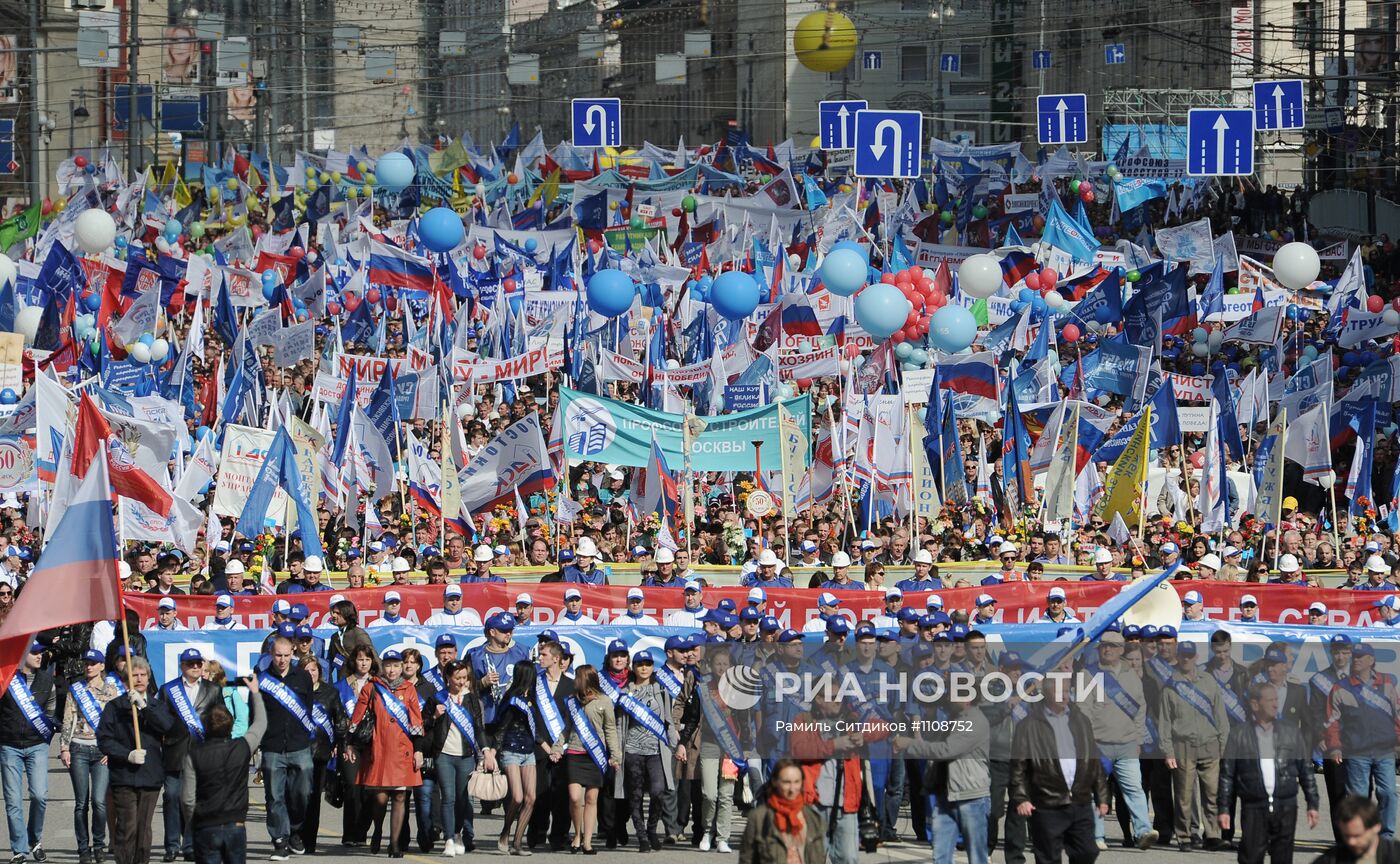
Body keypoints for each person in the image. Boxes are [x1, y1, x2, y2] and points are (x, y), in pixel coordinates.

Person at [1008, 667, 1109, 864]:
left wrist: (1102, 796)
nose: (1063, 695)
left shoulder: (1081, 721)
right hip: (1047, 802)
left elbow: (1093, 760)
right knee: (1048, 857)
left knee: (1087, 852)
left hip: (1079, 800)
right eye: (1058, 690)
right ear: (1046, 693)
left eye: (1066, 690)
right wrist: (1021, 798)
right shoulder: (1029, 726)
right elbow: (1018, 766)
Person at [1216, 682, 1320, 864]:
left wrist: (1312, 803)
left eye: (1276, 699)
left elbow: (1305, 770)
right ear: (1255, 704)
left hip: (1286, 806)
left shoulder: (1291, 732)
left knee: (1283, 858)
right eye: (1270, 700)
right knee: (1250, 857)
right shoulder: (1239, 735)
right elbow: (1227, 775)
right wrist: (1224, 809)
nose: (1275, 704)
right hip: (1254, 806)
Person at [98, 656, 179, 864]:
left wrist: (144, 707)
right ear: (127, 680)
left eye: (143, 675)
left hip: (150, 775)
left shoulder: (156, 705)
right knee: (127, 827)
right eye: (135, 675)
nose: (140, 678)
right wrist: (126, 754)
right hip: (124, 775)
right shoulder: (114, 707)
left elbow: (167, 726)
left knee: (144, 829)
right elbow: (104, 740)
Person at [178, 676, 267, 864]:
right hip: (235, 822)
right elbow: (260, 724)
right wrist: (255, 693)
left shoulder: (193, 755)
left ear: (205, 727)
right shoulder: (242, 747)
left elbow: (187, 799)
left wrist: (193, 823)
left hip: (205, 824)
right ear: (231, 725)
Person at [348, 649, 426, 859]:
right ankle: (378, 829)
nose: (392, 670)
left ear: (402, 667)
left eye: (396, 665)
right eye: (388, 665)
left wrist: (418, 750)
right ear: (382, 666)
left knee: (400, 796)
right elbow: (357, 716)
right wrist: (349, 743)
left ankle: (394, 844)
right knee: (380, 799)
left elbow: (416, 721)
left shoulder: (409, 689)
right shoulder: (372, 687)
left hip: (402, 750)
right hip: (379, 749)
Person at [1159, 641, 1229, 852]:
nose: (1187, 659)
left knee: (1212, 794)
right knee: (1184, 795)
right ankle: (1185, 835)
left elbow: (1221, 718)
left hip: (1209, 744)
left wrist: (1222, 747)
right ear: (1178, 657)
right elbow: (1165, 723)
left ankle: (1212, 834)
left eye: (1190, 656)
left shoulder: (1208, 681)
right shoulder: (1170, 685)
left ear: (1196, 657)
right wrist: (1168, 751)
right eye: (1183, 655)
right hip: (1183, 745)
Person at [1325, 642, 1400, 840]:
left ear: (1372, 660)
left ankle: (1385, 838)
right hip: (1356, 752)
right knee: (1358, 799)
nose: (1356, 660)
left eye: (1361, 657)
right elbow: (1332, 720)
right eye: (1355, 657)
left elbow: (1397, 714)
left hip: (1384, 751)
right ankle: (1362, 837)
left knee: (1389, 793)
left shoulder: (1386, 683)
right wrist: (1335, 748)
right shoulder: (1340, 687)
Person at [615, 648, 686, 853]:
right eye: (640, 664)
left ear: (652, 667)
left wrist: (676, 746)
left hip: (656, 750)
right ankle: (642, 837)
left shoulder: (661, 690)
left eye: (647, 664)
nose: (644, 668)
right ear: (633, 668)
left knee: (657, 791)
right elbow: (620, 725)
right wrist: (618, 753)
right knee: (635, 795)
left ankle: (652, 829)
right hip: (632, 750)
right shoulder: (626, 692)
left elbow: (668, 723)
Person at [157, 648, 219, 863]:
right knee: (172, 797)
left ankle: (190, 845)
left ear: (203, 666)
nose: (194, 667)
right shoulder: (168, 690)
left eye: (197, 663)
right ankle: (172, 845)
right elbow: (161, 721)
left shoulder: (213, 690)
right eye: (189, 663)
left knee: (194, 802)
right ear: (182, 665)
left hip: (202, 754)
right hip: (175, 752)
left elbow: (219, 721)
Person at [258, 636, 316, 860]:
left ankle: (295, 829)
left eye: (286, 655)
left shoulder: (302, 677)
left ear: (292, 653)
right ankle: (279, 840)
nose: (282, 660)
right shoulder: (262, 680)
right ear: (271, 655)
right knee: (274, 797)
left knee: (302, 793)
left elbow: (308, 709)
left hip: (299, 745)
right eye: (278, 655)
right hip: (272, 746)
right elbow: (257, 713)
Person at [61, 649, 121, 864]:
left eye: (94, 663)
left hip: (101, 752)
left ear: (102, 666)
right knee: (81, 803)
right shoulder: (76, 689)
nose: (89, 667)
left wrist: (113, 750)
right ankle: (82, 848)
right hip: (78, 748)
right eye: (87, 663)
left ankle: (98, 845)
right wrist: (64, 748)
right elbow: (68, 718)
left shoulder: (113, 690)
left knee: (99, 801)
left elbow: (118, 724)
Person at [0, 643, 55, 864]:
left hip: (36, 745)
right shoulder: (6, 678)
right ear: (22, 655)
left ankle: (35, 840)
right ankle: (20, 849)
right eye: (34, 652)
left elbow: (51, 713)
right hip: (9, 745)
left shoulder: (47, 680)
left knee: (39, 796)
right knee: (13, 801)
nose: (39, 656)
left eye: (40, 652)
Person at [555, 665, 619, 854]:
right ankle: (577, 834)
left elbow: (610, 729)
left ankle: (587, 841)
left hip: (595, 755)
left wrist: (615, 755)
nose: (575, 681)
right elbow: (566, 727)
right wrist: (557, 747)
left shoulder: (604, 701)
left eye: (578, 678)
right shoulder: (572, 702)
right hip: (575, 753)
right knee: (575, 798)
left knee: (591, 798)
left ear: (587, 680)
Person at [427, 660, 488, 857]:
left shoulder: (471, 699)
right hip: (444, 754)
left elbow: (479, 728)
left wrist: (486, 749)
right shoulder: (437, 698)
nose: (462, 682)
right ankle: (448, 840)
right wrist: (434, 716)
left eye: (464, 678)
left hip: (465, 756)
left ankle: (458, 833)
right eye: (457, 678)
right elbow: (422, 724)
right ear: (448, 678)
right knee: (448, 797)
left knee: (463, 799)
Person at [488, 660, 541, 855]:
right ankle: (505, 833)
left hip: (528, 752)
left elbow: (535, 729)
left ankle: (518, 843)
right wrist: (494, 751)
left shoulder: (532, 699)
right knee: (517, 797)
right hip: (511, 750)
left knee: (531, 798)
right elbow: (502, 727)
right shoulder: (512, 699)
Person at [737, 759, 826, 864]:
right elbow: (746, 859)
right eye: (786, 782)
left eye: (797, 782)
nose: (792, 789)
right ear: (775, 782)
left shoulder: (813, 819)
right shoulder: (758, 818)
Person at [302, 656, 344, 855]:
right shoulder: (294, 692)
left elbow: (340, 721)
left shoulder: (330, 693)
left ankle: (308, 841)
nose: (311, 673)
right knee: (296, 796)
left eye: (314, 670)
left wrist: (338, 743)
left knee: (313, 799)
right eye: (307, 670)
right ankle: (294, 834)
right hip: (298, 752)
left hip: (320, 753)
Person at [1311, 795, 1400, 863]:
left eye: (1357, 836)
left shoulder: (1395, 855)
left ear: (1376, 827)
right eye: (1346, 836)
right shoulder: (1331, 859)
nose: (1351, 842)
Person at [327, 599, 374, 682]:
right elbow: (330, 663)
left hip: (360, 682)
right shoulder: (335, 637)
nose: (333, 615)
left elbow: (373, 657)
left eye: (337, 613)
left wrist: (381, 682)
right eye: (333, 612)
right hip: (342, 683)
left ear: (347, 614)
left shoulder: (358, 633)